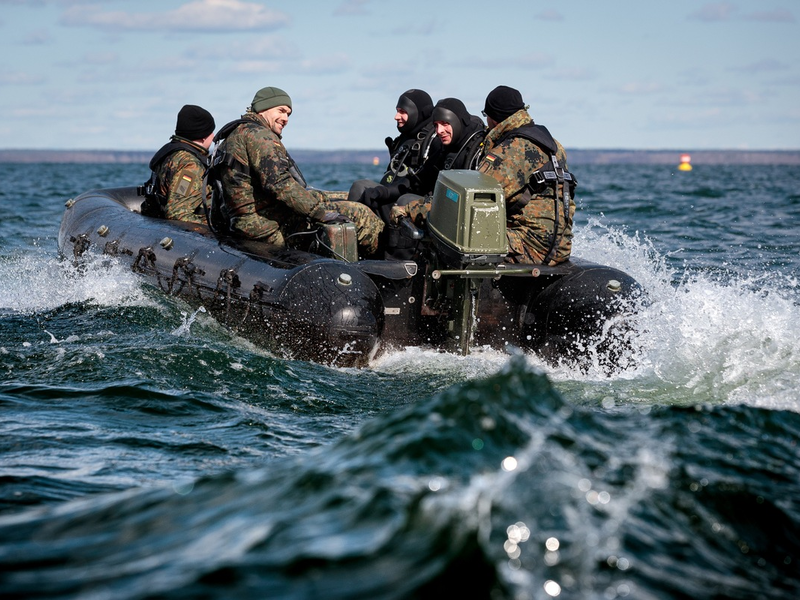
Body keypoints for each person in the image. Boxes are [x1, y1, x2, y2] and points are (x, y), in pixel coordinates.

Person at [208, 86, 383, 255]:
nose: (286, 118)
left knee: (338, 196)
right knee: (361, 214)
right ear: (263, 109)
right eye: (281, 111)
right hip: (266, 228)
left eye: (288, 114)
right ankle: (382, 273)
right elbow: (279, 184)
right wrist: (320, 214)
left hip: (244, 224)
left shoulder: (233, 136)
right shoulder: (260, 136)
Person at [477, 85, 576, 265]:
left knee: (460, 234)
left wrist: (413, 209)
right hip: (561, 246)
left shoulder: (508, 152)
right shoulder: (554, 145)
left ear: (493, 118)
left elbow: (472, 199)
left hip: (530, 247)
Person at [389, 97, 486, 230]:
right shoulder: (443, 148)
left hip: (466, 219)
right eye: (436, 125)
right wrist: (384, 191)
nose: (439, 131)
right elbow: (419, 180)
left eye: (445, 123)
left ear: (458, 121)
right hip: (442, 208)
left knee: (405, 202)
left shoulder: (477, 152)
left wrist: (409, 208)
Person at [348, 89, 441, 224]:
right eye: (397, 111)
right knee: (359, 187)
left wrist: (384, 193)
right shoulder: (404, 139)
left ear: (418, 113)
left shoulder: (433, 141)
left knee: (399, 199)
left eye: (402, 112)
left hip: (408, 203)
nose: (396, 116)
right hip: (388, 195)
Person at [140, 104, 215, 224]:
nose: (214, 136)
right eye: (211, 132)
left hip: (156, 219)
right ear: (202, 137)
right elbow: (177, 213)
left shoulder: (171, 153)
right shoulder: (191, 166)